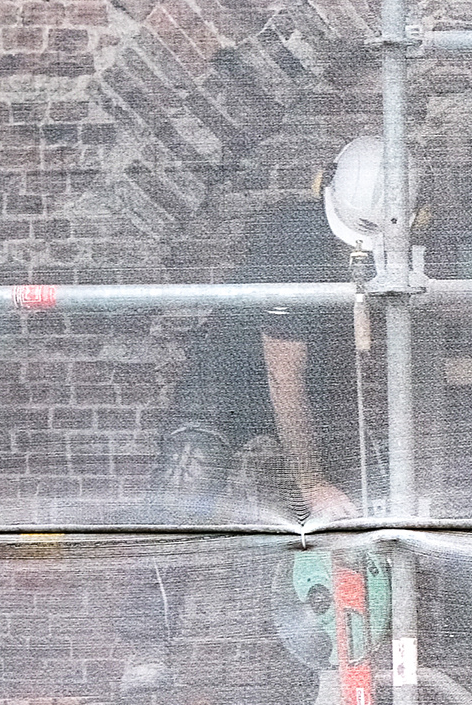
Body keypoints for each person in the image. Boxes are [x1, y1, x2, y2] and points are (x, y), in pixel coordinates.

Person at [154, 135, 395, 525]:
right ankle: (158, 579)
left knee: (348, 515)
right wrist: (314, 486)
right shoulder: (290, 245)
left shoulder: (396, 246)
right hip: (224, 388)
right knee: (180, 503)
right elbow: (283, 376)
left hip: (314, 392)